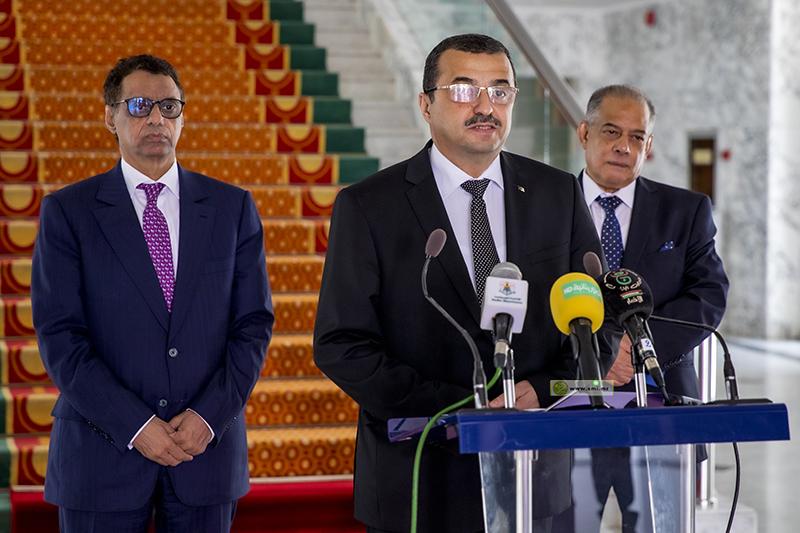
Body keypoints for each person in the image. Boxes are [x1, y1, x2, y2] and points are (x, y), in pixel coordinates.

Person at [313, 34, 612, 533]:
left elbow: (595, 324)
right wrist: (459, 408)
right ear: (425, 104)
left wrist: (541, 390)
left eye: (500, 91)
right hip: (419, 476)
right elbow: (341, 345)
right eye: (463, 89)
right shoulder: (369, 206)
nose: (484, 106)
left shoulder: (557, 193)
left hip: (536, 476)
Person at [31, 54, 274, 533]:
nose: (157, 119)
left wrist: (208, 417)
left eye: (169, 106)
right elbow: (60, 336)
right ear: (110, 116)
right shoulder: (68, 212)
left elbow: (253, 326)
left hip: (204, 453)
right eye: (140, 106)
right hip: (101, 457)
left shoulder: (232, 208)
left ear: (182, 116)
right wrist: (136, 426)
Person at [575, 84, 729, 532]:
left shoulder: (686, 210)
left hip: (662, 406)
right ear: (584, 133)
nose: (624, 146)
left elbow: (709, 294)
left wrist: (634, 349)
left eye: (637, 136)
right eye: (611, 131)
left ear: (649, 146)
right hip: (569, 407)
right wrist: (597, 356)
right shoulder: (544, 205)